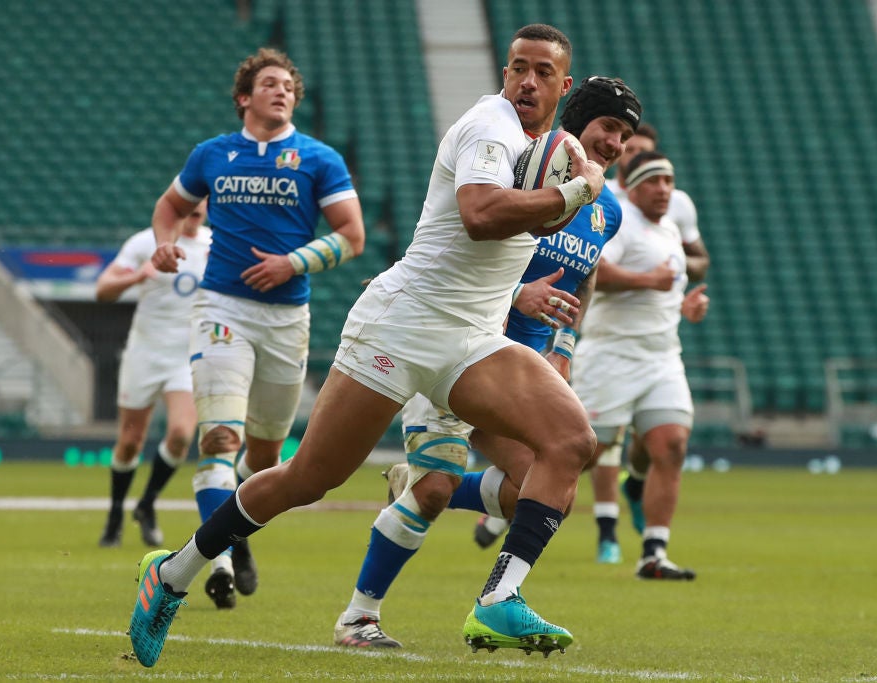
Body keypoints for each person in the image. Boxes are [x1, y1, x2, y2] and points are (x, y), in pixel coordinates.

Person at [128, 23, 609, 667]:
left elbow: (528, 223)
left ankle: (500, 599)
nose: (526, 80)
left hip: (470, 339)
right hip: (402, 323)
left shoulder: (546, 146)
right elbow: (481, 214)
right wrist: (577, 192)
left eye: (542, 72)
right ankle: (173, 574)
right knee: (309, 478)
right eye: (518, 67)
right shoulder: (490, 125)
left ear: (563, 85)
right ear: (504, 74)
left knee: (571, 441)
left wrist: (568, 198)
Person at [332, 75, 641, 649]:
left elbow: (587, 272)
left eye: (626, 134)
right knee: (435, 493)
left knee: (547, 487)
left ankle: (484, 587)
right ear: (576, 120)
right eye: (609, 128)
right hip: (455, 342)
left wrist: (565, 350)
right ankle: (360, 617)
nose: (617, 143)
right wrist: (516, 297)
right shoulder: (514, 166)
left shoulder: (605, 210)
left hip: (514, 372)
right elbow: (463, 243)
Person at [144, 47, 366, 610]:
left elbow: (352, 236)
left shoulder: (319, 159)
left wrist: (293, 262)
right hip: (222, 309)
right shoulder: (212, 155)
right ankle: (215, 561)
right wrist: (164, 243)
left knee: (266, 458)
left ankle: (234, 532)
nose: (281, 91)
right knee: (219, 439)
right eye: (269, 83)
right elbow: (169, 207)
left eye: (288, 85)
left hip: (288, 318)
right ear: (245, 96)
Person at [571, 150, 710, 580]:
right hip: (611, 353)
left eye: (668, 181)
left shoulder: (669, 229)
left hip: (662, 354)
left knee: (671, 445)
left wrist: (685, 306)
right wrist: (648, 281)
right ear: (631, 187)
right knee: (580, 455)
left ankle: (654, 552)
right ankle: (499, 498)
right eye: (653, 181)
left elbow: (665, 289)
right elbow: (594, 269)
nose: (664, 189)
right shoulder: (620, 222)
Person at [96, 200, 211, 548]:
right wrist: (137, 276)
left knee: (180, 433)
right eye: (189, 209)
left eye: (200, 210)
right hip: (145, 352)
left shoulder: (214, 245)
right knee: (130, 442)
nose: (195, 217)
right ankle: (115, 513)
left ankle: (146, 504)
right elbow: (103, 290)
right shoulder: (145, 243)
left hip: (186, 356)